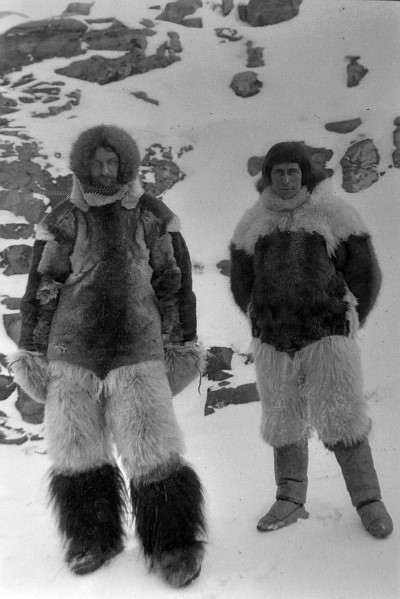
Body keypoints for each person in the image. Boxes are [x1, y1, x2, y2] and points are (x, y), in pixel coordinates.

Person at [9, 125, 206, 586]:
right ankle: (92, 539)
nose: (104, 170)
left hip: (136, 350)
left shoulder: (152, 216)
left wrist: (180, 342)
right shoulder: (62, 220)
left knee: (152, 448)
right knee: (78, 451)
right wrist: (33, 350)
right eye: (96, 162)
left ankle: (173, 545)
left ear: (125, 165)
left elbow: (175, 283)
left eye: (112, 162)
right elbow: (41, 288)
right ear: (82, 166)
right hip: (71, 352)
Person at [229, 141, 393, 538]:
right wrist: (261, 318)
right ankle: (289, 498)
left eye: (293, 171)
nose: (286, 180)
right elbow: (241, 282)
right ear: (268, 176)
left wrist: (348, 318)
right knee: (283, 420)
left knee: (343, 418)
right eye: (279, 172)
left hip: (327, 338)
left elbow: (366, 274)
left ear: (305, 174)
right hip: (274, 343)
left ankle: (369, 501)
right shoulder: (253, 223)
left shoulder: (334, 214)